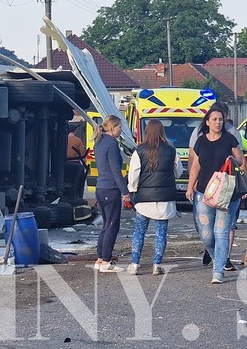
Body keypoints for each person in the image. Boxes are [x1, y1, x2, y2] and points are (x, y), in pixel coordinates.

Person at [185, 104, 246, 284]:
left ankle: (218, 270)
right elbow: (196, 165)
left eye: (220, 119)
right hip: (205, 192)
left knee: (221, 232)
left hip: (227, 193)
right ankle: (216, 258)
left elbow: (240, 160)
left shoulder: (230, 139)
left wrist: (233, 160)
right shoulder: (201, 141)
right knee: (206, 234)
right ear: (208, 122)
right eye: (214, 119)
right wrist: (190, 186)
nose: (218, 122)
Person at [128, 119, 183, 276]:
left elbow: (134, 174)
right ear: (162, 132)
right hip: (165, 199)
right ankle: (156, 265)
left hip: (144, 200)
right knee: (161, 233)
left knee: (139, 231)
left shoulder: (139, 151)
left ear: (147, 132)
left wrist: (133, 190)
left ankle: (134, 264)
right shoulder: (171, 150)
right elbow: (178, 172)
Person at [93, 115, 129, 272]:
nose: (121, 130)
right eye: (119, 127)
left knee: (106, 224)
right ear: (112, 128)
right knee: (112, 225)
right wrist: (125, 192)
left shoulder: (99, 142)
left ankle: (100, 258)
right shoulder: (112, 144)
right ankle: (106, 261)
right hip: (111, 188)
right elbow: (116, 170)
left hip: (100, 187)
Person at [65, 122, 88, 198]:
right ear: (75, 131)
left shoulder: (64, 139)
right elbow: (83, 154)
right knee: (77, 184)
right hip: (75, 165)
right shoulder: (78, 140)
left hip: (64, 164)